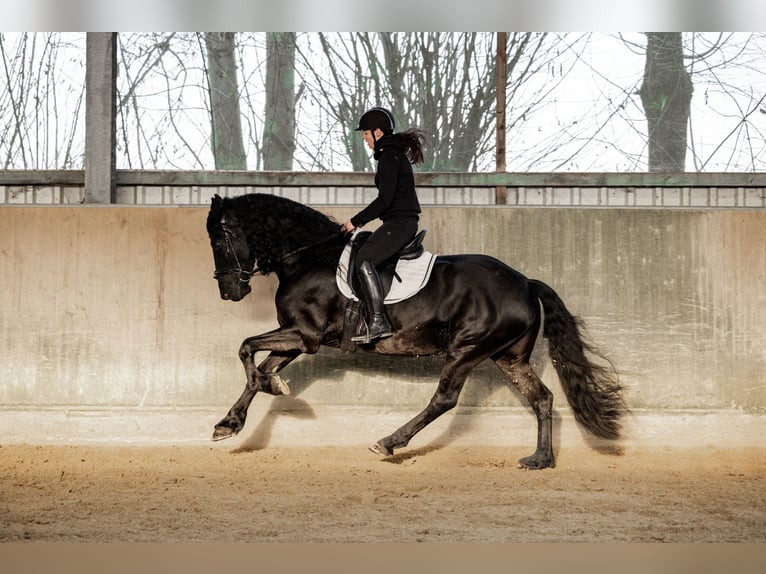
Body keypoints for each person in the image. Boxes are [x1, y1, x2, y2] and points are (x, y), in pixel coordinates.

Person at [341, 107, 425, 343]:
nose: (364, 138)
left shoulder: (389, 156)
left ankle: (378, 321)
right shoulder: (390, 154)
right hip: (398, 222)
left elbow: (384, 200)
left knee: (363, 259)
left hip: (401, 223)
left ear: (378, 132)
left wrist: (354, 222)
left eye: (366, 133)